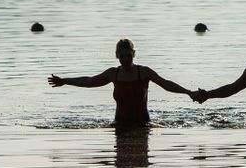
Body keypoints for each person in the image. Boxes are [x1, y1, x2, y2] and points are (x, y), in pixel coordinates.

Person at [48, 38, 195, 128]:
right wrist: (64, 81)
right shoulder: (114, 73)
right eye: (122, 56)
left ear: (134, 54)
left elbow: (166, 84)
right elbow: (89, 81)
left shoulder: (143, 72)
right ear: (117, 56)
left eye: (128, 56)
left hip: (143, 125)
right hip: (119, 125)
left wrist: (189, 92)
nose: (125, 59)